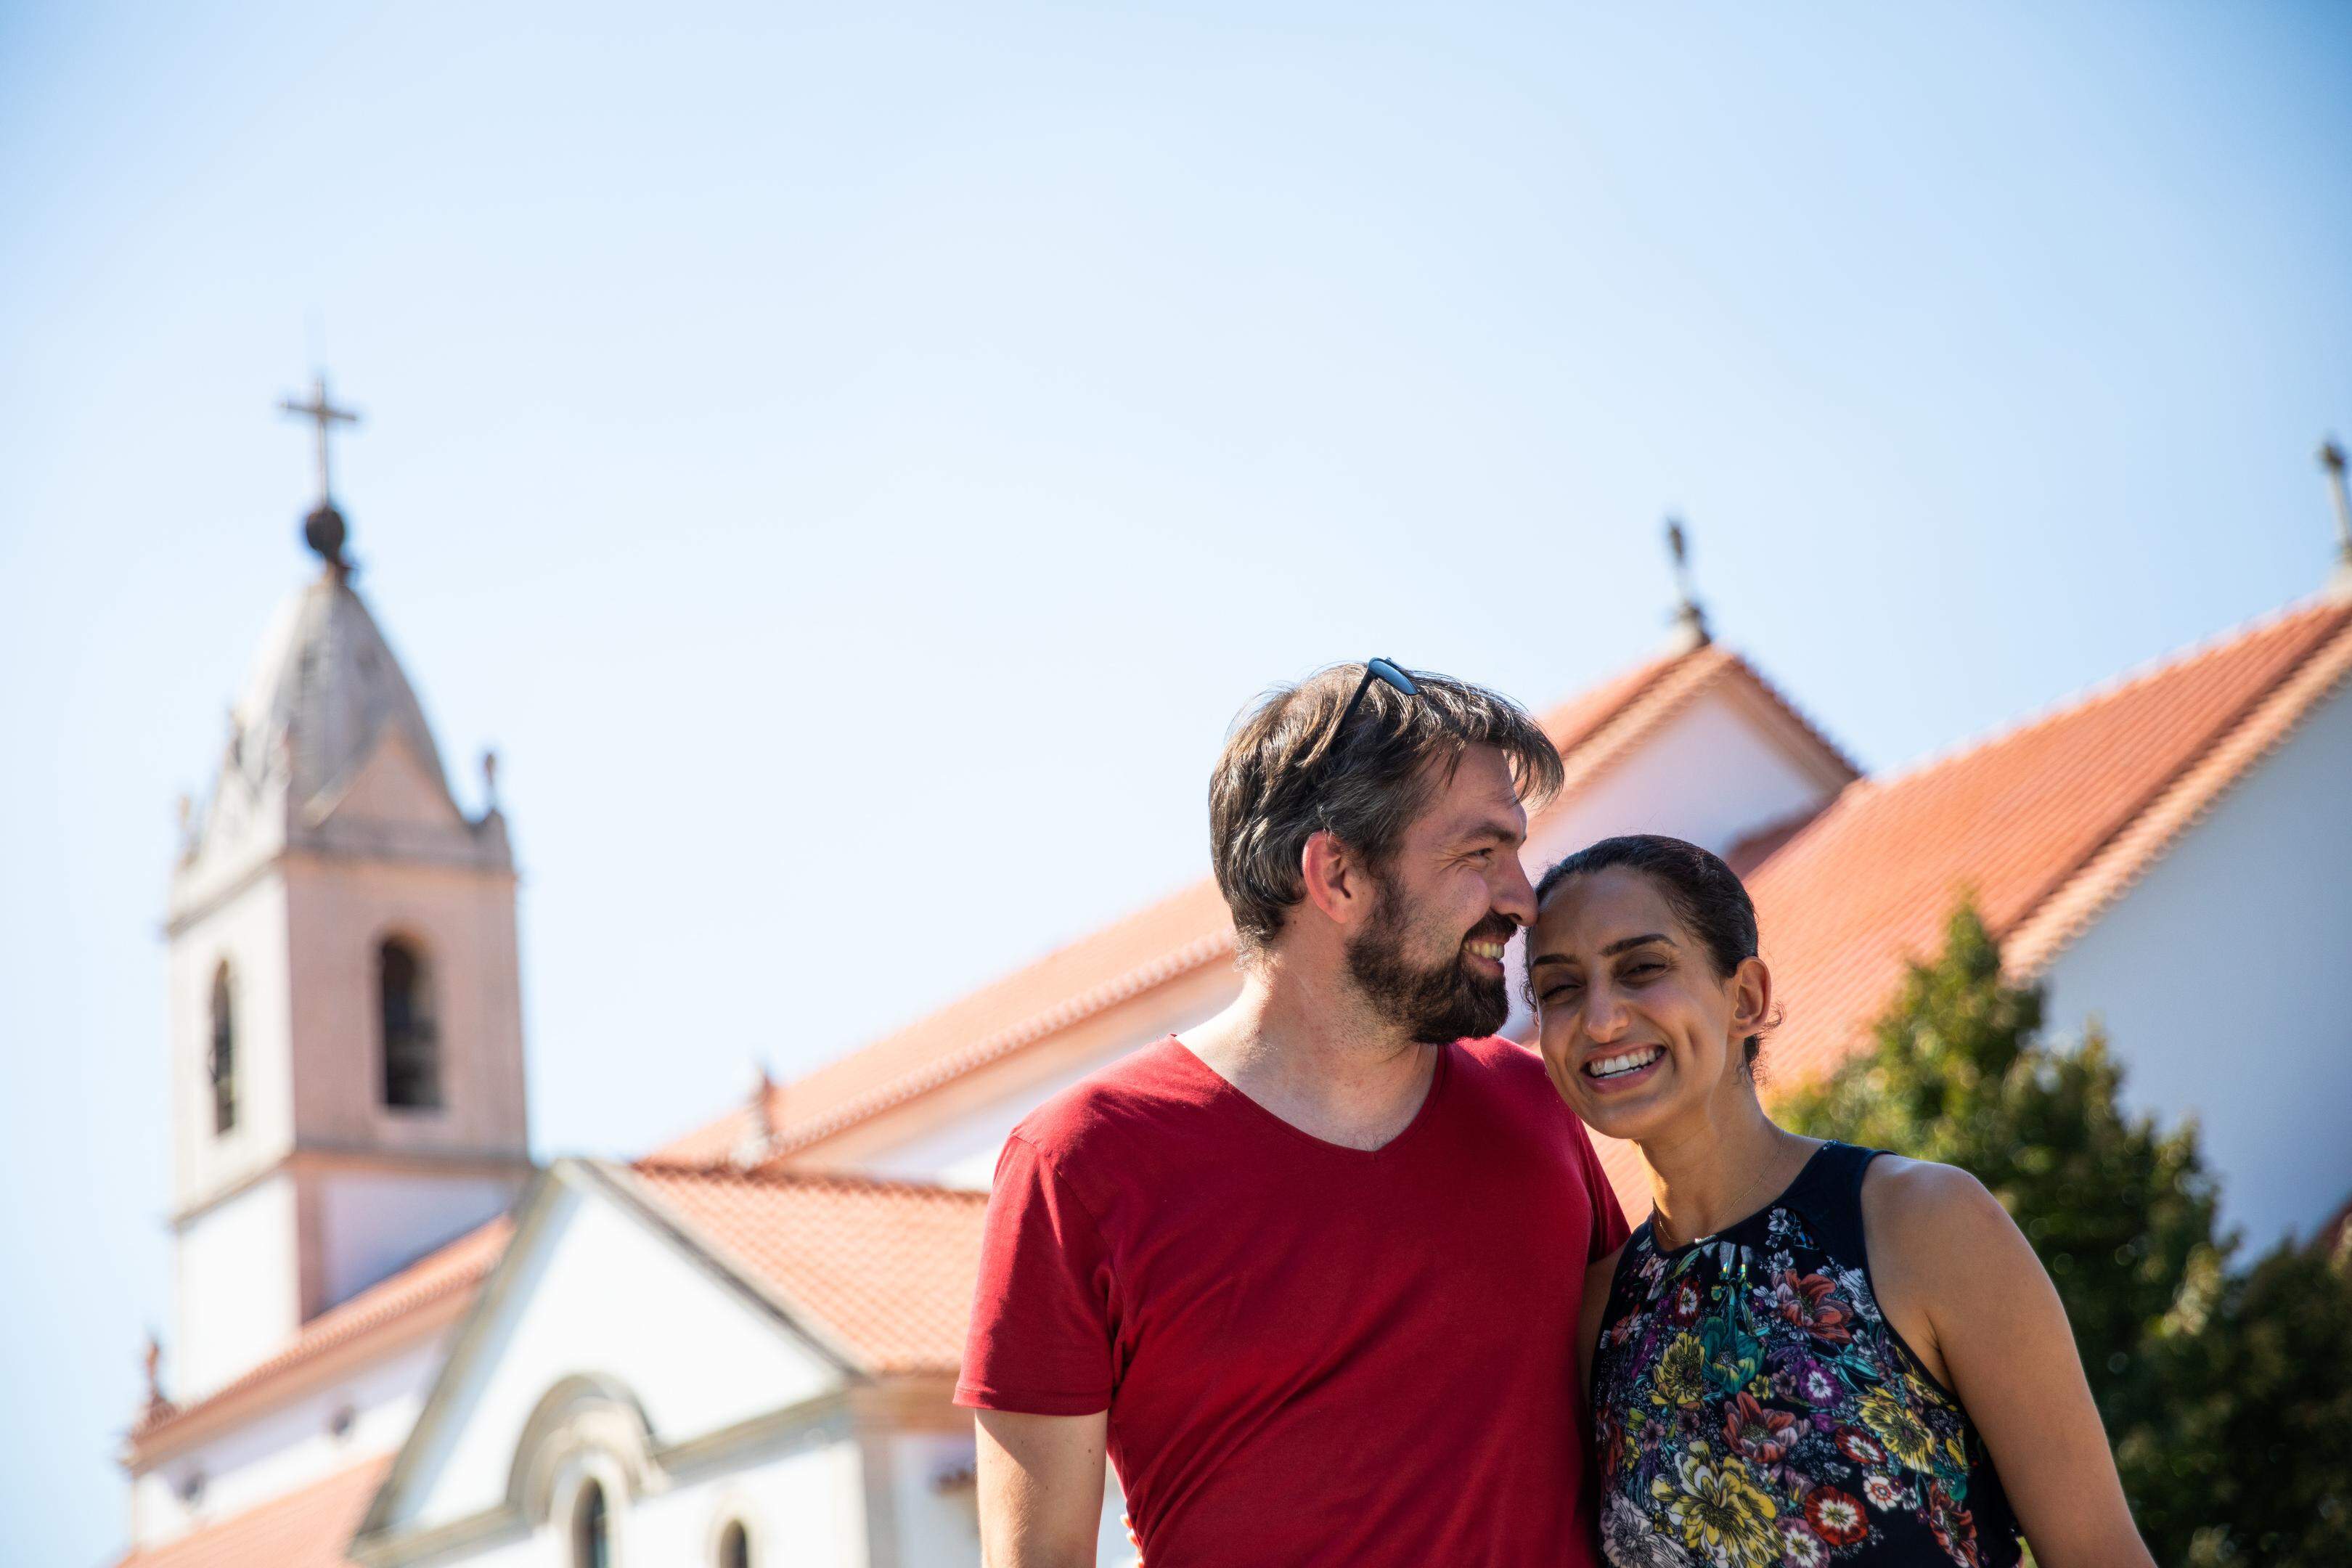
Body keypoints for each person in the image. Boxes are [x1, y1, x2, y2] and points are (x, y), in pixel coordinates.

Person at [957, 660, 1630, 1567]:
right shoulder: (1079, 1166)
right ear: (1338, 874)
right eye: (1480, 855)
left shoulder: (1537, 1106)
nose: (1521, 898)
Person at [1524, 835, 2156, 1568]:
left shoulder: (1921, 1222)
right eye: (1561, 988)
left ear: (1747, 998)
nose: (1600, 1019)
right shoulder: (1600, 1313)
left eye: (1642, 969)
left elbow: (2099, 1553)